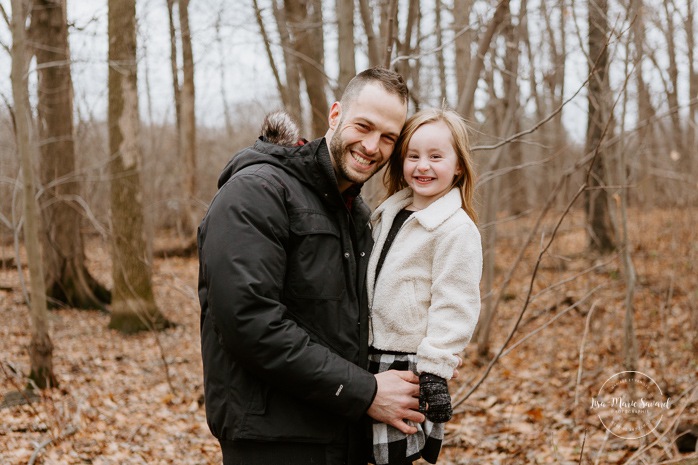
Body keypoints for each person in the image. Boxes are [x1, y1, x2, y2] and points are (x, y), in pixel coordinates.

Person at [197, 67, 426, 465]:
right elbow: (249, 322)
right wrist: (366, 392)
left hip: (341, 437)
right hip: (274, 444)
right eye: (364, 126)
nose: (373, 146)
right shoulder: (256, 192)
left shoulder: (356, 214)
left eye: (388, 137)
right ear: (335, 115)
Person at [366, 108, 483, 465]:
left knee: (394, 459)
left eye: (436, 157)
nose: (423, 166)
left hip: (406, 366)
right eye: (413, 156)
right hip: (364, 358)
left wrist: (434, 370)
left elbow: (455, 303)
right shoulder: (388, 213)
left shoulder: (456, 229)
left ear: (458, 165)